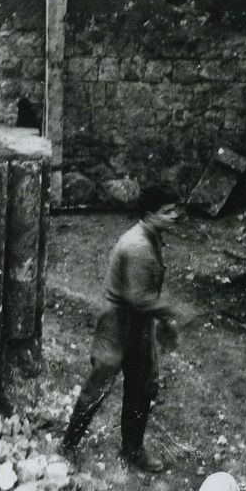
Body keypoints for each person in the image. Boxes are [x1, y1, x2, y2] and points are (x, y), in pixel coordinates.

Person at [61, 186, 182, 473]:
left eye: (175, 210)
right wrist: (172, 313)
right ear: (149, 214)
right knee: (100, 383)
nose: (175, 216)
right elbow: (138, 297)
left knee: (141, 385)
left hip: (139, 322)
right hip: (118, 322)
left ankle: (133, 449)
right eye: (168, 212)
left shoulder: (151, 237)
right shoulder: (137, 245)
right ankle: (68, 445)